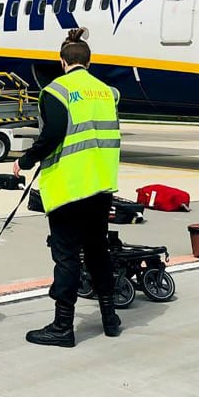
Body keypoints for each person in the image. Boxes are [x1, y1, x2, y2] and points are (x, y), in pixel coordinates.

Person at [13, 27, 122, 348]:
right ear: (88, 62)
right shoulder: (107, 92)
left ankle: (63, 326)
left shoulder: (56, 91)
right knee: (98, 251)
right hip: (101, 186)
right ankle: (110, 317)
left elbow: (53, 134)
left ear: (62, 62)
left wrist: (27, 159)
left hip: (69, 188)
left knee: (67, 257)